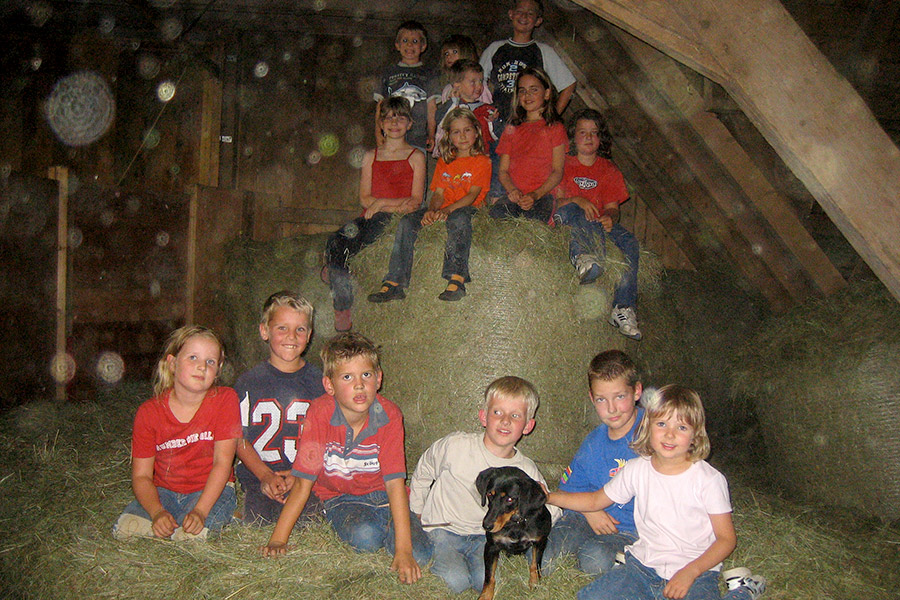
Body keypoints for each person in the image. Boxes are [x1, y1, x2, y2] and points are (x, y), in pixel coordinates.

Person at [547, 385, 767, 600]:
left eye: (681, 428)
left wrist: (690, 572)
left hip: (694, 572)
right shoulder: (636, 469)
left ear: (695, 434)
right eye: (662, 424)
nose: (670, 435)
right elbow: (596, 500)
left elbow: (726, 539)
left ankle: (743, 591)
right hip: (643, 566)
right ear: (647, 426)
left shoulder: (708, 480)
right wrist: (548, 496)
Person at [258, 332, 431, 585]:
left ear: (379, 379)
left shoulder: (390, 416)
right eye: (347, 377)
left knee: (420, 555)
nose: (359, 385)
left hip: (384, 496)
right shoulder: (319, 413)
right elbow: (303, 483)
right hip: (341, 497)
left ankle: (396, 529)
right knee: (365, 538)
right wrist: (278, 539)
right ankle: (386, 531)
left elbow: (394, 484)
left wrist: (404, 551)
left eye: (366, 375)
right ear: (329, 385)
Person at [409, 376, 560, 594]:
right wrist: (417, 509)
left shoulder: (526, 470)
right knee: (456, 581)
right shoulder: (456, 446)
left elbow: (544, 505)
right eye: (497, 412)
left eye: (515, 415)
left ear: (528, 426)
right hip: (443, 529)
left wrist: (542, 523)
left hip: (484, 536)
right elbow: (424, 469)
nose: (505, 421)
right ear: (483, 416)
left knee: (483, 580)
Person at [112, 325, 241, 541]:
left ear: (218, 370)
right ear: (172, 363)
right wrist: (157, 512)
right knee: (125, 529)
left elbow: (222, 463)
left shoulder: (225, 400)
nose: (202, 367)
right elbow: (142, 476)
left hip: (210, 490)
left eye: (210, 362)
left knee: (191, 537)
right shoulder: (148, 413)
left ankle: (220, 516)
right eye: (193, 357)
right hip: (165, 492)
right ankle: (180, 521)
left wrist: (200, 511)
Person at [368, 106, 491, 303]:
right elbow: (438, 193)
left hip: (469, 209)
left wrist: (447, 210)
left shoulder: (482, 161)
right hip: (444, 207)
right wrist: (432, 210)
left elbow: (472, 196)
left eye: (467, 130)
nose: (462, 136)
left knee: (458, 219)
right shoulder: (445, 161)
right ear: (449, 136)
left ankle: (457, 278)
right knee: (407, 222)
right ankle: (395, 281)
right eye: (456, 132)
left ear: (476, 132)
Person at [324, 96, 426, 332]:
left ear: (410, 124)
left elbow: (414, 202)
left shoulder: (416, 156)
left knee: (364, 240)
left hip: (393, 220)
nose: (394, 123)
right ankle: (343, 305)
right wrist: (379, 205)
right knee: (335, 241)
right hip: (369, 217)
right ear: (380, 124)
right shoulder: (371, 156)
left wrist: (381, 204)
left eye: (400, 118)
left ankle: (336, 267)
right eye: (388, 118)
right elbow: (364, 198)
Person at [541, 350, 643, 576]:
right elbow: (568, 490)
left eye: (620, 396)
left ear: (637, 391)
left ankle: (622, 562)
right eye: (601, 399)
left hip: (631, 530)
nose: (611, 408)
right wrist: (591, 511)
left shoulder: (655, 433)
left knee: (594, 559)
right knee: (544, 559)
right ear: (591, 398)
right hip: (585, 516)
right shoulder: (593, 443)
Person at [234, 291, 326, 526]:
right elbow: (238, 438)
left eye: (300, 329)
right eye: (282, 328)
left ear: (309, 335)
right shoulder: (248, 383)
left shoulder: (320, 383)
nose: (291, 336)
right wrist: (264, 474)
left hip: (305, 475)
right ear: (264, 331)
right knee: (257, 522)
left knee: (309, 522)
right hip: (258, 474)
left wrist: (300, 473)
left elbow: (326, 437)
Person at [554, 109, 642, 340]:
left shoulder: (609, 170)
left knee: (629, 242)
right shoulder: (563, 164)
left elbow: (613, 208)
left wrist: (610, 218)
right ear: (573, 137)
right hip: (569, 219)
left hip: (597, 223)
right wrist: (578, 200)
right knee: (582, 214)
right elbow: (556, 203)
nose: (588, 137)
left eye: (594, 133)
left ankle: (623, 307)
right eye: (582, 132)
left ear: (601, 138)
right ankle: (584, 257)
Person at [480, 0, 576, 198]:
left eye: (530, 13)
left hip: (528, 128)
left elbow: (568, 85)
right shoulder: (495, 49)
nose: (524, 16)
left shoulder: (543, 51)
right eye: (520, 11)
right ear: (511, 14)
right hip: (498, 125)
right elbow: (476, 82)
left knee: (522, 178)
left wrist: (550, 117)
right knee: (496, 182)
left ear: (538, 20)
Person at [489, 66, 566, 223]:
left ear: (547, 93)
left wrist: (535, 195)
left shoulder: (555, 128)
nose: (527, 95)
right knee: (496, 218)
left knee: (531, 224)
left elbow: (558, 171)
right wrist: (512, 190)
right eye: (522, 91)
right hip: (515, 196)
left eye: (534, 90)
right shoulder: (512, 129)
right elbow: (503, 171)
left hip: (543, 196)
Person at [374, 20, 440, 152]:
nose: (409, 45)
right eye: (405, 41)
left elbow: (432, 107)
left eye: (415, 41)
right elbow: (380, 106)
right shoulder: (387, 72)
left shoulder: (430, 74)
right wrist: (378, 132)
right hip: (391, 137)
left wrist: (432, 135)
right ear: (397, 45)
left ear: (423, 46)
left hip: (418, 138)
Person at [432, 60, 497, 155]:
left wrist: (493, 122)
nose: (479, 86)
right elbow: (441, 122)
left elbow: (495, 136)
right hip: (456, 156)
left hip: (481, 156)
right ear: (457, 85)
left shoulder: (486, 108)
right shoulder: (451, 106)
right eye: (473, 82)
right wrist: (454, 102)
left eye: (480, 81)